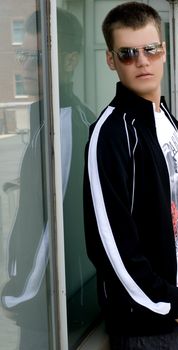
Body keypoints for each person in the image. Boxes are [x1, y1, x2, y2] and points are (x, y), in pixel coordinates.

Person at [83, 2, 178, 349]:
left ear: (163, 52)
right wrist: (171, 302)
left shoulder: (168, 121)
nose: (141, 61)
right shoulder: (111, 134)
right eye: (127, 53)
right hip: (147, 327)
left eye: (150, 49)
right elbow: (110, 244)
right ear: (111, 60)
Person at [1, 8, 95, 350]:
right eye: (23, 55)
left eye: (36, 58)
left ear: (68, 62)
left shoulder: (64, 125)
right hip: (47, 300)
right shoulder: (46, 117)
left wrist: (19, 294)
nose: (25, 68)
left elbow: (53, 228)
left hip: (54, 309)